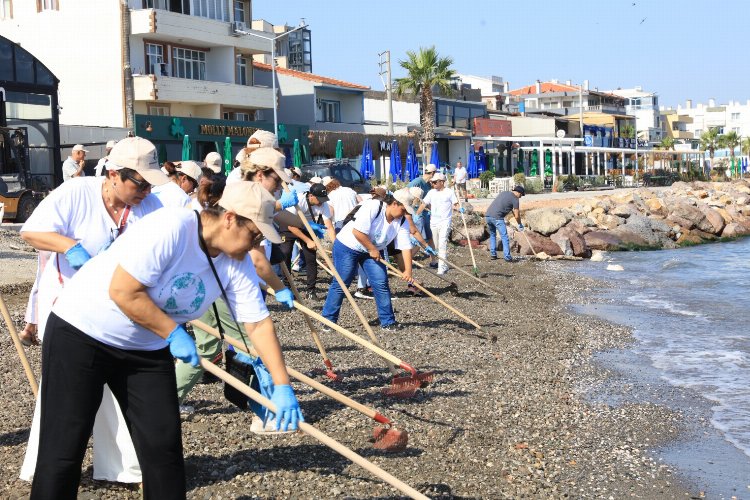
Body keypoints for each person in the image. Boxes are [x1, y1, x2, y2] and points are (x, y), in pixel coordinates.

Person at [31, 180, 303, 499]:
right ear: (229, 217)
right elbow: (123, 291)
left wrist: (283, 385)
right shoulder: (172, 227)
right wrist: (173, 333)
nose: (255, 244)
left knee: (163, 449)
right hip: (83, 332)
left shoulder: (236, 262)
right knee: (64, 447)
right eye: (254, 234)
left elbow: (258, 325)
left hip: (146, 349)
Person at [19, 137, 168, 486]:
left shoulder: (151, 207)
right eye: (139, 183)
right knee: (66, 398)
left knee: (116, 395)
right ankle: (47, 467)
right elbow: (32, 231)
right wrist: (70, 246)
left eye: (150, 183)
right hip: (70, 310)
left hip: (120, 310)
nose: (146, 190)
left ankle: (121, 468)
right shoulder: (77, 192)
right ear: (114, 174)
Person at [176, 148, 298, 410]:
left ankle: (253, 401)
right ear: (261, 174)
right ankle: (259, 408)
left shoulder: (248, 211)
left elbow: (259, 325)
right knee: (244, 346)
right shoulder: (238, 199)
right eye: (276, 180)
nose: (278, 187)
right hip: (209, 288)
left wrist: (284, 385)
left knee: (223, 346)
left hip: (214, 284)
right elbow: (256, 259)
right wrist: (279, 288)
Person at [321, 188, 414, 331]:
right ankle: (328, 320)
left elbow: (405, 247)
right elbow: (357, 232)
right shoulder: (373, 206)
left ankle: (388, 321)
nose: (404, 214)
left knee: (381, 283)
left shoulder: (401, 221)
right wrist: (372, 249)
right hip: (348, 246)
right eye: (403, 209)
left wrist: (408, 270)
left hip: (373, 250)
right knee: (342, 282)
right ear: (394, 203)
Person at [276, 183, 335, 300]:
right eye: (319, 199)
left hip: (308, 226)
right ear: (311, 196)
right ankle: (287, 287)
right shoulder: (298, 201)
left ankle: (311, 290)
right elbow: (290, 225)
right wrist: (307, 240)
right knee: (285, 253)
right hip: (288, 225)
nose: (321, 203)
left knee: (311, 257)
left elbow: (329, 226)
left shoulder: (324, 205)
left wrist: (336, 246)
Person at [416, 173, 461, 275]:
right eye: (432, 182)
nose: (433, 184)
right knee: (435, 246)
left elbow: (455, 204)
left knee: (442, 244)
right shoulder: (431, 192)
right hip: (434, 222)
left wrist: (460, 209)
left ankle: (441, 268)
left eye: (435, 182)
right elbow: (424, 204)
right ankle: (444, 264)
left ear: (442, 182)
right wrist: (416, 215)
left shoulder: (449, 192)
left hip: (445, 222)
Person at [485, 185, 525, 262]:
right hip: (497, 218)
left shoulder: (504, 193)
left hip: (488, 215)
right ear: (518, 192)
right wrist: (520, 224)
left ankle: (493, 254)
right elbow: (517, 216)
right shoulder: (515, 199)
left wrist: (511, 208)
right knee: (504, 236)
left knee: (493, 234)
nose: (520, 197)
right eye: (521, 195)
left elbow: (503, 203)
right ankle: (507, 257)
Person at [408, 163, 437, 261]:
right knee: (420, 239)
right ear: (432, 173)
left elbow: (427, 201)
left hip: (425, 215)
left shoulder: (429, 185)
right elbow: (407, 192)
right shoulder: (417, 182)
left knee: (429, 238)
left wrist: (432, 211)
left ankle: (433, 260)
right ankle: (405, 260)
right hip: (417, 215)